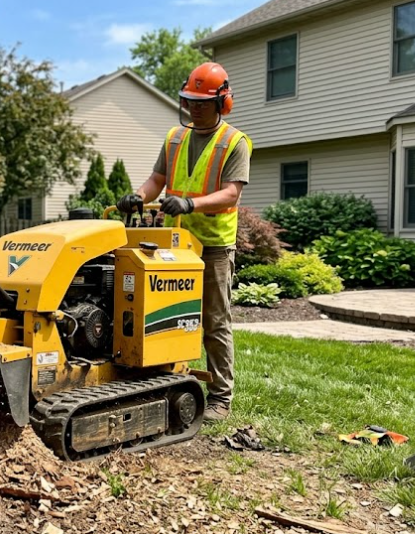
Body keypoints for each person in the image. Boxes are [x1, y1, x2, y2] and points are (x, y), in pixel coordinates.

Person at [116, 62, 253, 422]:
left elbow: (230, 195)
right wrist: (138, 196)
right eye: (189, 100)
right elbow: (156, 180)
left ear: (223, 102)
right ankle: (163, 376)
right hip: (174, 244)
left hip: (213, 246)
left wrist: (191, 203)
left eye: (202, 102)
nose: (194, 107)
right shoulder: (175, 138)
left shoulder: (234, 142)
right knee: (163, 314)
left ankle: (221, 396)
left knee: (214, 320)